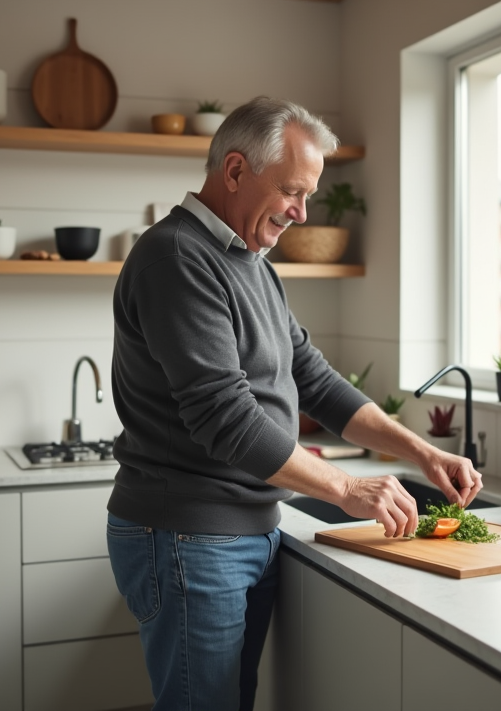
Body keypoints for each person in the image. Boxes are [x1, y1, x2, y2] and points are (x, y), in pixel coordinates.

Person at [107, 96, 482, 711]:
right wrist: (347, 488)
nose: (302, 213)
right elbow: (224, 418)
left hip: (240, 534)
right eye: (292, 191)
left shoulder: (250, 261)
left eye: (308, 195)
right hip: (188, 538)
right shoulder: (176, 258)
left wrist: (422, 452)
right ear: (234, 172)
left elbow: (313, 378)